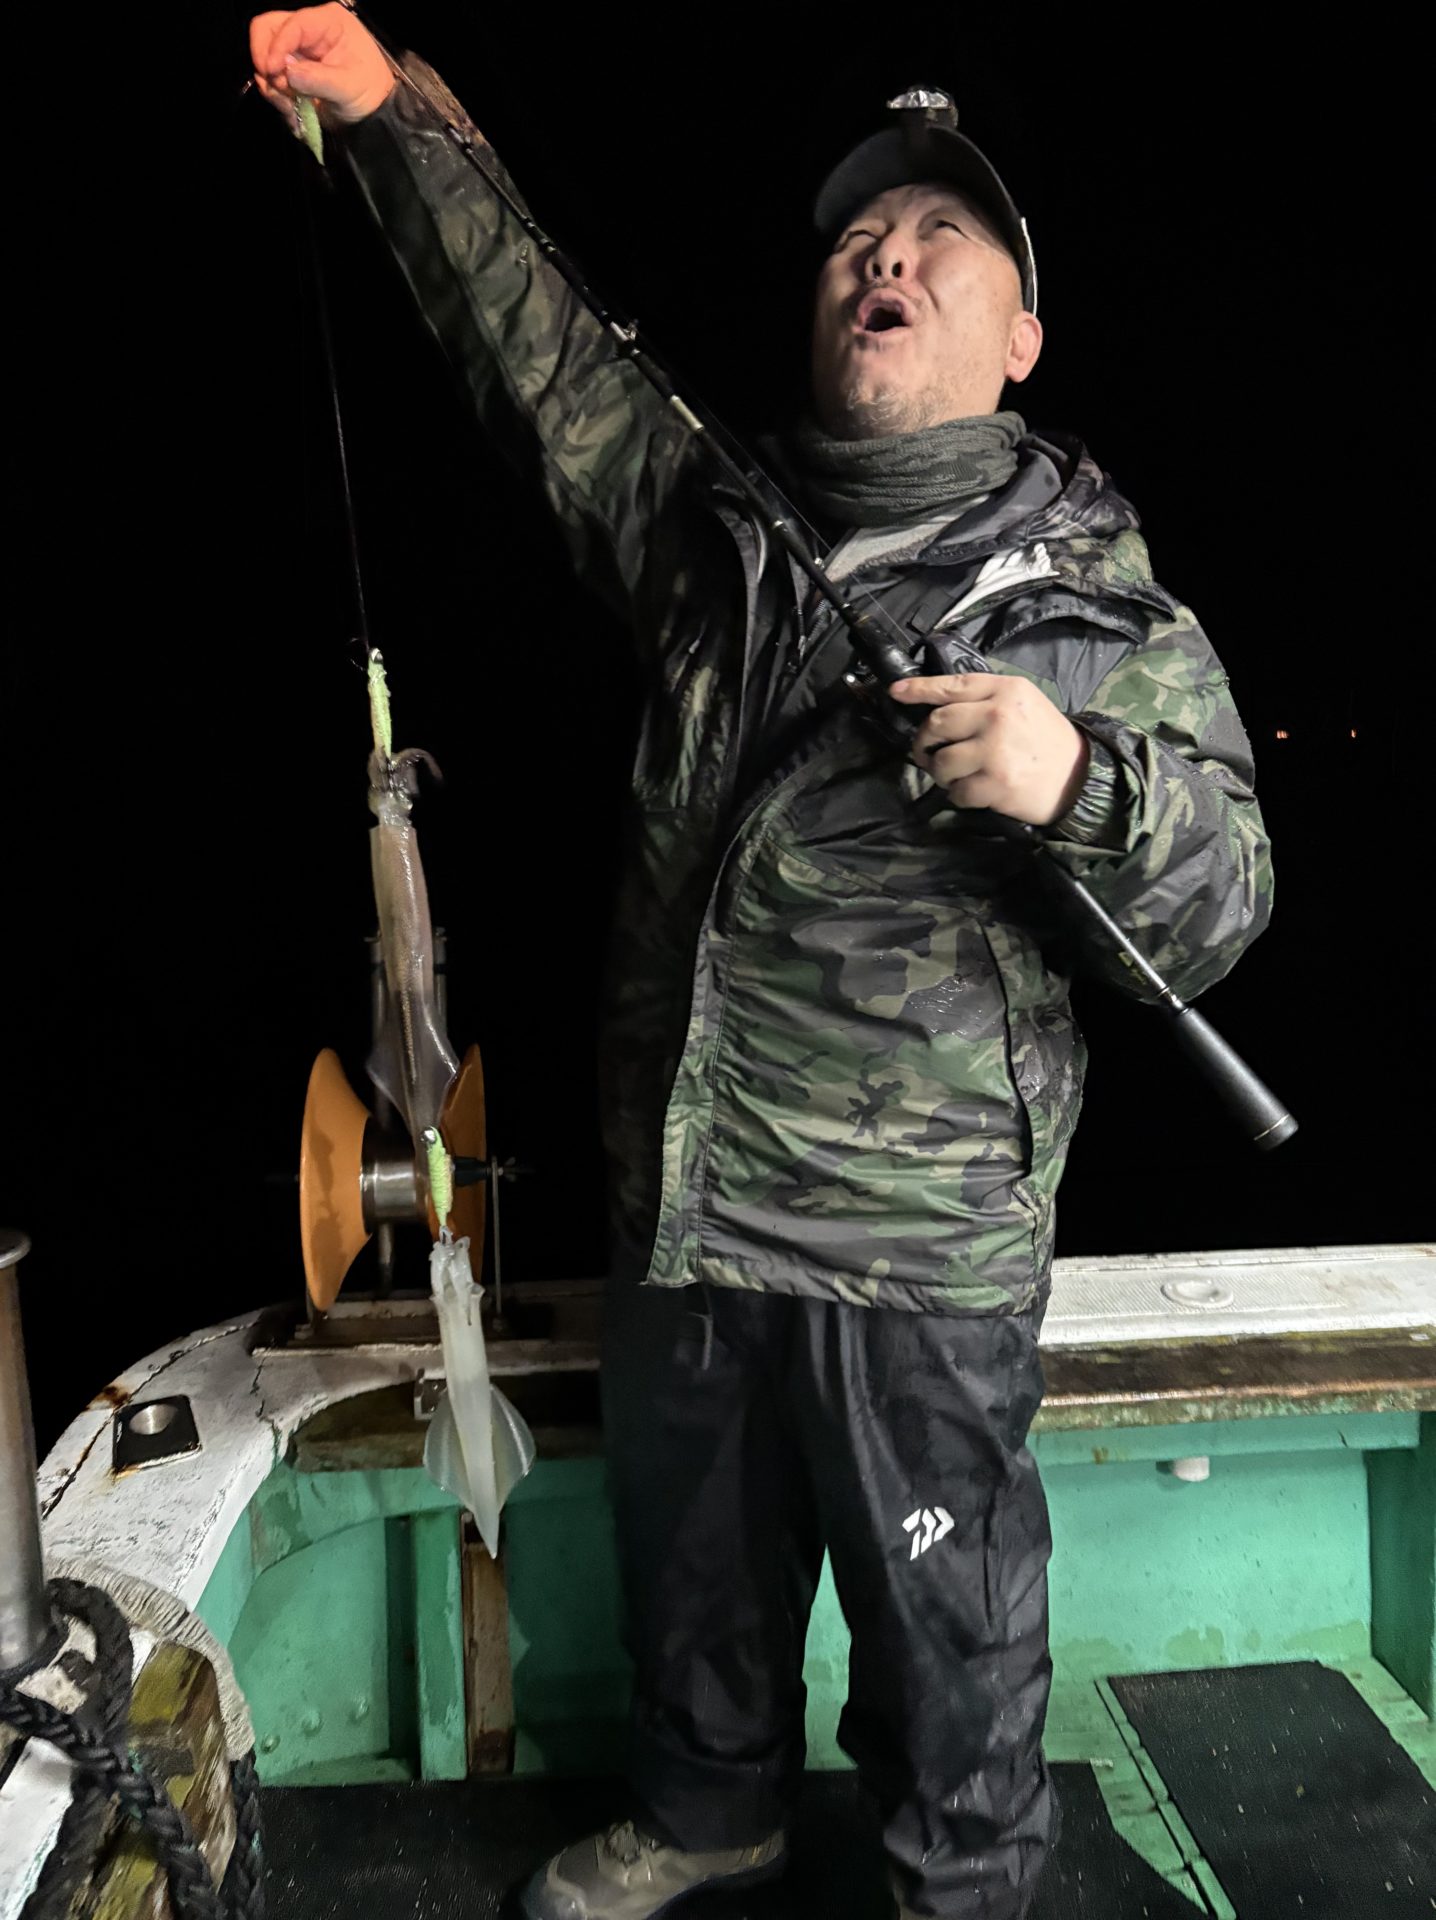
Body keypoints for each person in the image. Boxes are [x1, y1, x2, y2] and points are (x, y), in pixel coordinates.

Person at [250, 13, 1273, 1918]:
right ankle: (708, 1806)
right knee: (694, 1574)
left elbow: (1225, 904)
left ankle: (964, 1881)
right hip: (692, 1199)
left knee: (948, 1639)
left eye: (942, 237)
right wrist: (386, 112)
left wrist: (1083, 781)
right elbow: (543, 350)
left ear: (1021, 338)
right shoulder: (709, 532)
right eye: (858, 238)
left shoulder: (1095, 611)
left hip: (916, 1252)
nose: (887, 254)